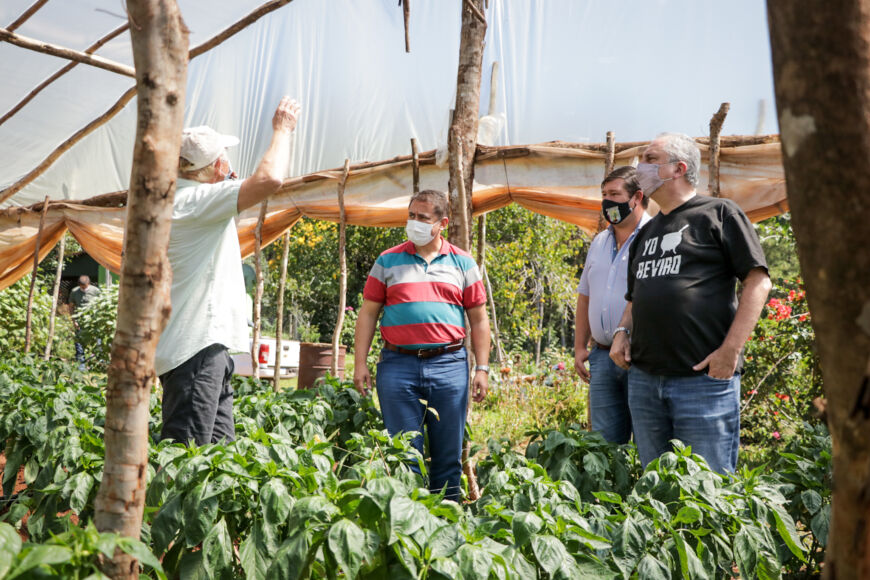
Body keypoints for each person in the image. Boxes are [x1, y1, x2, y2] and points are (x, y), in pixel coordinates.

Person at [610, 133, 771, 473]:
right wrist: (623, 331)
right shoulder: (647, 232)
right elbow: (635, 297)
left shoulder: (719, 213)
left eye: (650, 158)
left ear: (677, 169)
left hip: (702, 384)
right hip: (645, 381)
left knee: (707, 493)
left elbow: (759, 281)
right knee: (656, 490)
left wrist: (731, 351)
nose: (640, 167)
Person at [154, 96, 302, 446]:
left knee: (218, 457)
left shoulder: (182, 200)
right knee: (186, 455)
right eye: (224, 158)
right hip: (195, 349)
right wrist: (282, 130)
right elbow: (269, 178)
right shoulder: (196, 202)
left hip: (204, 348)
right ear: (215, 167)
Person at [354, 189, 491, 502]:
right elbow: (368, 314)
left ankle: (447, 528)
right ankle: (408, 528)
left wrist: (482, 368)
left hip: (449, 364)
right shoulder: (387, 261)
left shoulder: (463, 263)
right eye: (411, 215)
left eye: (422, 217)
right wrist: (360, 364)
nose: (413, 222)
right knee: (404, 455)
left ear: (441, 223)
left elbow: (480, 321)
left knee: (448, 455)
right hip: (397, 366)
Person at [574, 166, 650, 444]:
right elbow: (585, 295)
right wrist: (580, 347)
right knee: (605, 445)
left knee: (648, 440)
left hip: (640, 357)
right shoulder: (599, 241)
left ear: (636, 197)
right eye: (604, 194)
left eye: (615, 194)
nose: (607, 201)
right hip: (602, 356)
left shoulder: (653, 237)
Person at [68, 275, 101, 368]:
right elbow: (71, 306)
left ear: (88, 284)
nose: (83, 288)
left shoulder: (95, 291)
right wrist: (74, 320)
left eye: (85, 286)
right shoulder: (74, 292)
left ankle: (99, 364)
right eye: (81, 287)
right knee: (79, 342)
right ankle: (81, 365)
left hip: (94, 320)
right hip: (80, 320)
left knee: (98, 341)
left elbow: (100, 304)